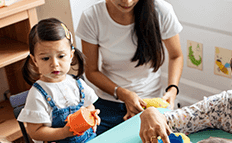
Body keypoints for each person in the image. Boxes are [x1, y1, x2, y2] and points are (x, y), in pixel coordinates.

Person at [76, 0, 183, 135]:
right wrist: (123, 94)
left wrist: (172, 89)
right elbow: (91, 71)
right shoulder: (92, 17)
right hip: (109, 101)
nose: (127, 1)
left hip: (150, 101)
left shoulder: (162, 11)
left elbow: (176, 56)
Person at [19, 18, 100, 143]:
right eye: (45, 58)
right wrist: (63, 132)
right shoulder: (37, 94)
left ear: (71, 55)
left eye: (61, 56)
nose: (54, 64)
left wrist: (91, 116)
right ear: (34, 60)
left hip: (89, 142)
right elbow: (35, 132)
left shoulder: (77, 83)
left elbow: (89, 105)